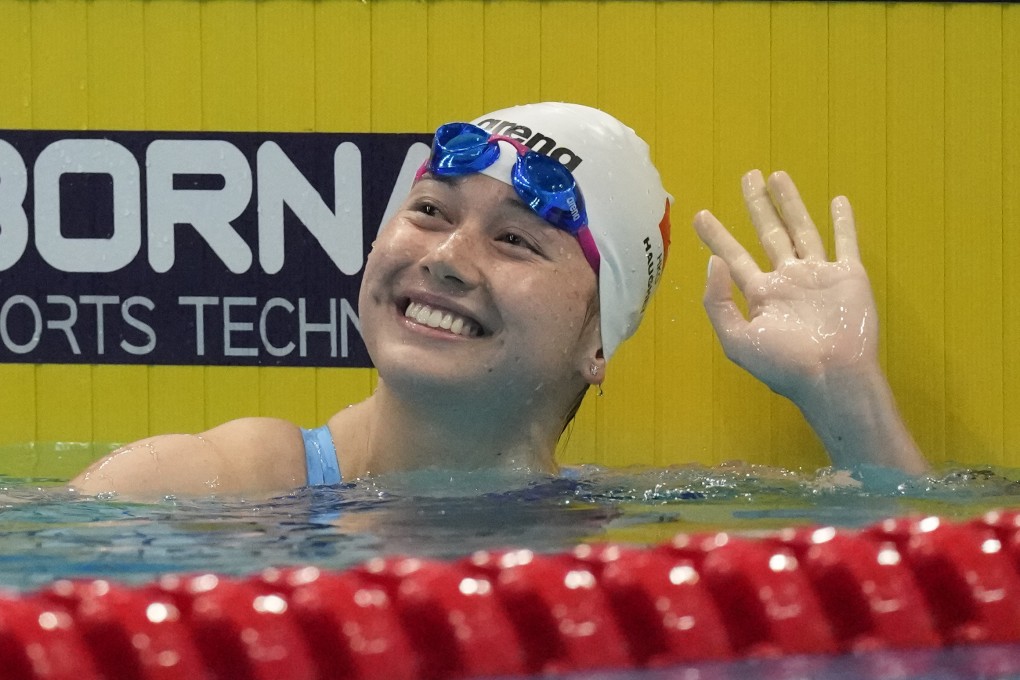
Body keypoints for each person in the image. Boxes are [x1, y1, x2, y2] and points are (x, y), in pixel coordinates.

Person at [69, 102, 927, 500]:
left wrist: (844, 388)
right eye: (431, 211)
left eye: (515, 239)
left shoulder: (646, 516)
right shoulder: (210, 488)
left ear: (600, 338)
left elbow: (936, 608)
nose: (445, 258)